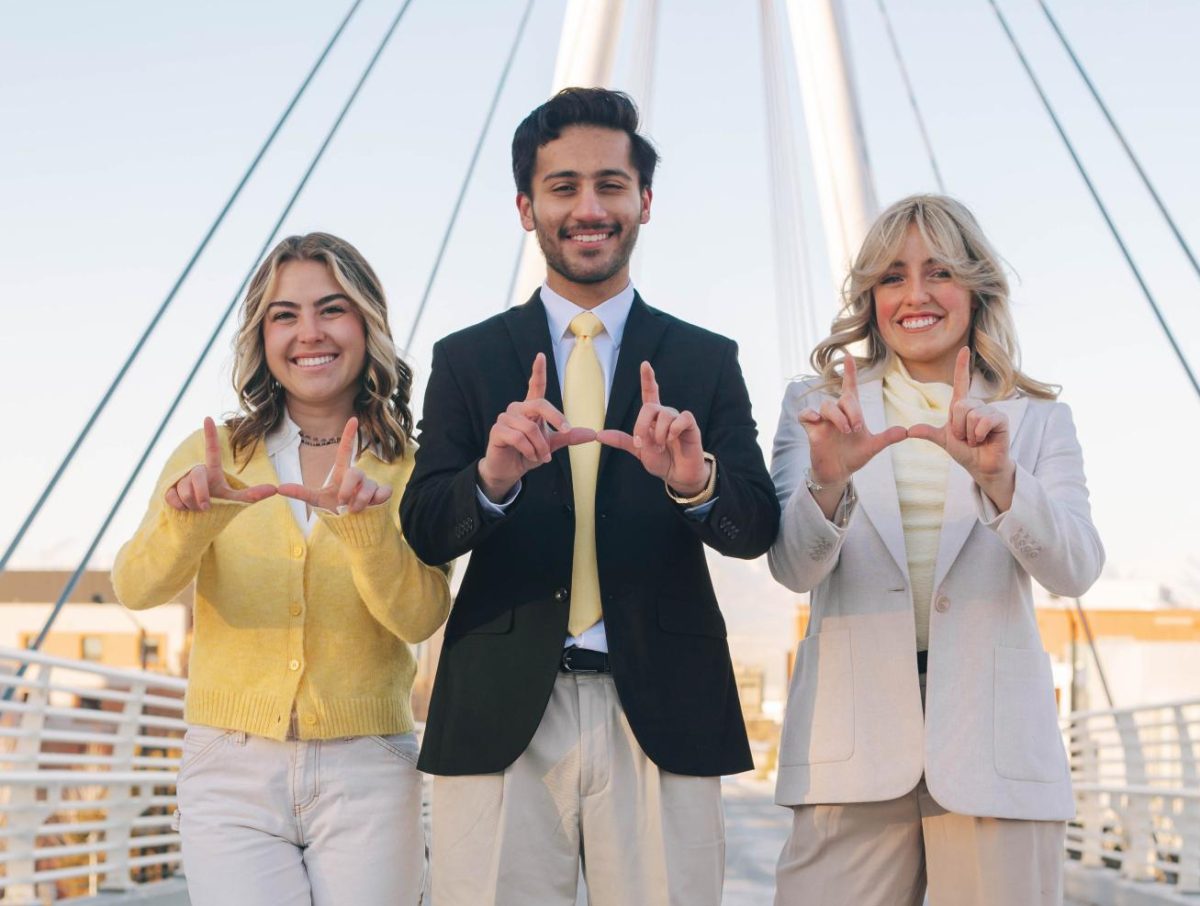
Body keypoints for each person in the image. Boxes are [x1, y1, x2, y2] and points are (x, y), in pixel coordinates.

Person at [399, 87, 780, 906]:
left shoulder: (705, 359)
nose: (588, 207)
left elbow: (755, 527)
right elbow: (427, 529)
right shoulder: (466, 359)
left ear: (644, 202)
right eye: (562, 186)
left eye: (610, 184)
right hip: (499, 713)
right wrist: (491, 479)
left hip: (664, 709)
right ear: (525, 208)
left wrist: (693, 483)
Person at [768, 194, 1105, 905]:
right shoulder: (817, 407)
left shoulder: (1038, 420)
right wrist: (828, 482)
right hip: (848, 754)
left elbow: (1076, 569)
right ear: (870, 296)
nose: (914, 294)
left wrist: (1003, 481)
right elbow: (793, 568)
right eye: (891, 276)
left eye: (938, 272)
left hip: (996, 753)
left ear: (977, 288)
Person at [113, 232, 451, 906]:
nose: (309, 333)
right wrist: (194, 519)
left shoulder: (414, 465)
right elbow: (135, 586)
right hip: (229, 768)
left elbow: (421, 614)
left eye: (332, 309)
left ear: (366, 323)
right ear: (262, 336)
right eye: (284, 315)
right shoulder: (213, 454)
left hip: (369, 767)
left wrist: (364, 532)